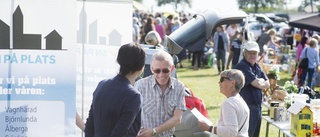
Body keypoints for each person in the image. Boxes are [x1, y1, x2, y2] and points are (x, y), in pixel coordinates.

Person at [85, 43, 146, 137]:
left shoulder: (102, 85)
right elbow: (120, 132)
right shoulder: (133, 96)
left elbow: (89, 125)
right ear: (142, 68)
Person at [135, 50, 186, 137]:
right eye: (157, 71)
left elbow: (177, 119)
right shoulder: (140, 86)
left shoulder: (179, 87)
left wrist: (154, 131)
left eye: (165, 70)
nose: (161, 75)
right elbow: (132, 115)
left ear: (172, 69)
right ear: (151, 69)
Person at [198, 69, 250, 137]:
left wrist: (209, 128)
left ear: (232, 83)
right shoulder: (240, 100)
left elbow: (231, 132)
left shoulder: (229, 103)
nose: (219, 82)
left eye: (222, 79)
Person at [235, 41, 270, 137]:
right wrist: (259, 82)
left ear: (258, 54)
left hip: (257, 108)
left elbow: (268, 83)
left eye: (254, 53)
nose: (252, 55)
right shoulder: (242, 66)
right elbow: (257, 83)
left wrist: (260, 82)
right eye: (249, 52)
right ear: (244, 53)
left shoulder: (256, 66)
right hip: (247, 108)